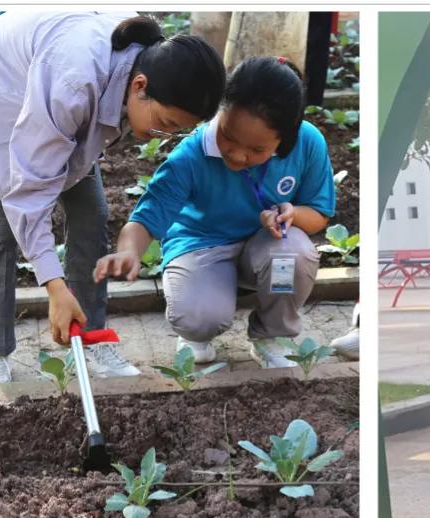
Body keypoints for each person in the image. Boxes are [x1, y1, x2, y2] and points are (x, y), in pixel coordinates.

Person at [0, 12, 226, 383]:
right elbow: (28, 191)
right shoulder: (74, 81)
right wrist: (55, 289)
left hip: (43, 100)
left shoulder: (143, 62)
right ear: (140, 85)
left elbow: (60, 142)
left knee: (91, 212)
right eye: (166, 124)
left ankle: (92, 337)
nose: (162, 135)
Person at [95, 55, 337, 369]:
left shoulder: (308, 142)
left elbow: (319, 213)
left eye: (256, 150)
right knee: (197, 318)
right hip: (202, 245)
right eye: (229, 137)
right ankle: (196, 333)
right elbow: (146, 216)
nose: (237, 155)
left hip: (266, 247)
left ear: (284, 140)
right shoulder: (192, 153)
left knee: (295, 253)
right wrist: (129, 252)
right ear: (219, 112)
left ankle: (270, 336)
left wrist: (290, 212)